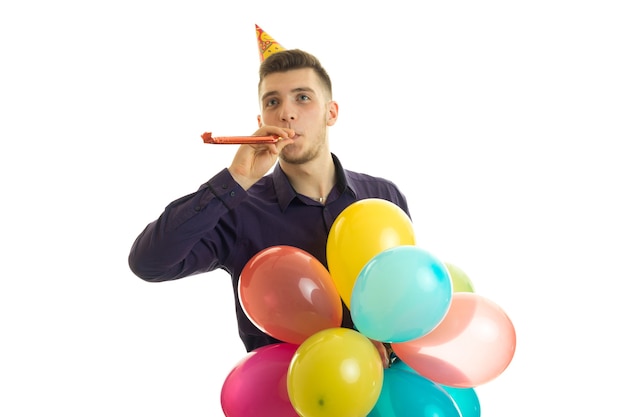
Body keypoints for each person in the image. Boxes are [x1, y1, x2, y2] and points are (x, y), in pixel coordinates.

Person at [128, 48, 411, 364]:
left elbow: (406, 295)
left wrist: (386, 340)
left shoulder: (384, 196)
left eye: (302, 98)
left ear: (331, 113)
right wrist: (234, 180)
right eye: (273, 102)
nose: (286, 113)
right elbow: (149, 262)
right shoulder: (238, 210)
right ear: (261, 120)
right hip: (287, 403)